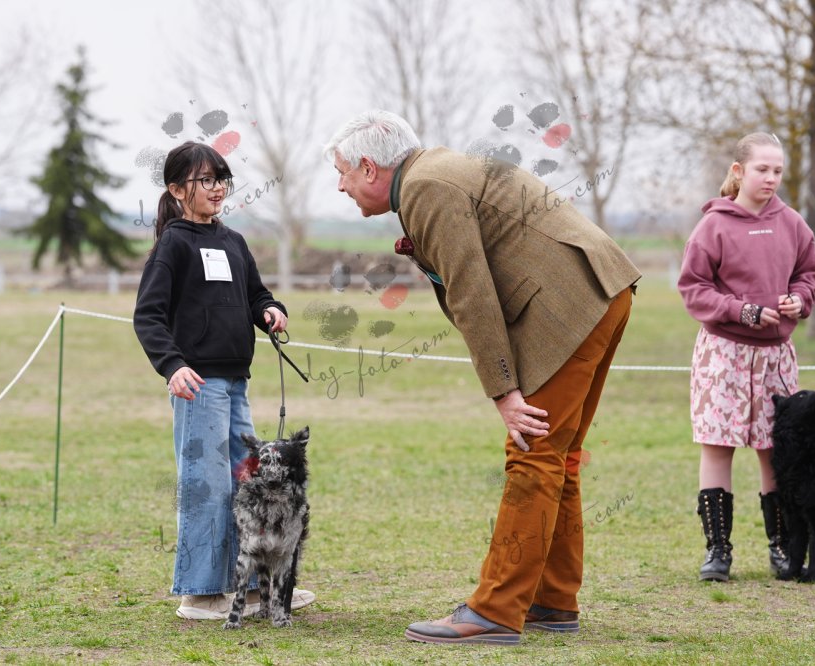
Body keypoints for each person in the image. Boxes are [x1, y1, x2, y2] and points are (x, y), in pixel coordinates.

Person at [324, 110, 641, 645]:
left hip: (571, 305)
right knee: (556, 454)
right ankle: (552, 600)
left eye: (342, 172)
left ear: (369, 167)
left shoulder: (426, 186)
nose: (340, 185)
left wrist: (504, 391)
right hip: (600, 291)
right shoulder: (434, 172)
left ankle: (495, 609)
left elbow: (472, 292)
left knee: (531, 451)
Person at [133, 141, 314, 620]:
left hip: (236, 383)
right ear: (177, 189)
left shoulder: (233, 241)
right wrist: (172, 365)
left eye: (221, 179)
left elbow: (256, 294)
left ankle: (251, 588)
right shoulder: (173, 244)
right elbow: (147, 315)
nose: (217, 188)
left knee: (248, 486)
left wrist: (269, 310)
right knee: (206, 487)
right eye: (206, 180)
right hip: (198, 386)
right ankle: (199, 594)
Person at [677, 132, 815, 583]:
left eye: (777, 170)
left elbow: (809, 273)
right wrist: (740, 310)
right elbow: (694, 288)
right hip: (723, 355)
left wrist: (800, 299)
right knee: (717, 447)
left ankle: (781, 548)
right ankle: (717, 552)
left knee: (774, 450)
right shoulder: (713, 226)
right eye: (762, 169)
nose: (771, 178)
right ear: (739, 171)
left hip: (776, 357)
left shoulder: (793, 223)